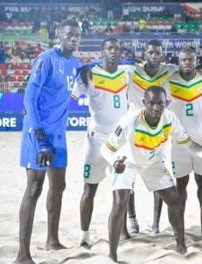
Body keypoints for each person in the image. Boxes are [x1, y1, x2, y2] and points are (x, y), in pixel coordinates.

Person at [16, 19, 81, 264]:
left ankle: (52, 240)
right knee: (34, 188)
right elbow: (29, 100)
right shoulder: (45, 59)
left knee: (59, 186)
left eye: (77, 35)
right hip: (38, 132)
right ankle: (23, 254)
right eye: (69, 35)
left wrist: (91, 66)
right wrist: (40, 137)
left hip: (59, 135)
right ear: (59, 36)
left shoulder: (74, 63)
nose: (73, 39)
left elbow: (86, 69)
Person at [100, 86, 190, 262]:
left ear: (167, 104)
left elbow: (190, 145)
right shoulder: (130, 120)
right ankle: (112, 254)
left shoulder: (170, 118)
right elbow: (105, 148)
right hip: (127, 161)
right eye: (151, 103)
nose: (156, 107)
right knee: (119, 203)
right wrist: (114, 162)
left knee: (174, 199)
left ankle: (181, 246)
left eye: (160, 104)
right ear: (144, 104)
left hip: (152, 162)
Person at [72, 37, 131, 248]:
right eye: (109, 48)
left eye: (116, 48)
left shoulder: (127, 72)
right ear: (102, 51)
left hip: (120, 140)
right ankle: (84, 236)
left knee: (123, 189)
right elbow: (70, 95)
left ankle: (123, 230)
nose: (113, 51)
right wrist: (79, 69)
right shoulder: (90, 74)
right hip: (96, 139)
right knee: (90, 190)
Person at [152, 47, 202, 234]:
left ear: (196, 60)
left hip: (201, 142)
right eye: (183, 60)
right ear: (178, 61)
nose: (187, 63)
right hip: (179, 143)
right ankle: (179, 226)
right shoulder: (170, 82)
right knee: (180, 187)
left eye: (190, 59)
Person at [125, 39, 177, 234]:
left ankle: (155, 224)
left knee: (159, 177)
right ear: (144, 54)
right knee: (129, 178)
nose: (154, 56)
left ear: (162, 54)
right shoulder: (131, 71)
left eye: (157, 53)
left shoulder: (170, 70)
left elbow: (189, 69)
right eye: (150, 52)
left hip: (158, 130)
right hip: (134, 131)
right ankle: (133, 219)